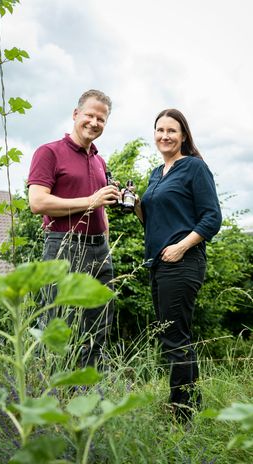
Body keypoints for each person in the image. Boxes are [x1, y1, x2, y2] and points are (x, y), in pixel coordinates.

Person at [134, 108, 222, 421]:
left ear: (183, 135)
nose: (165, 136)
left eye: (172, 130)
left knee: (175, 336)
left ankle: (182, 412)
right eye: (160, 130)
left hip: (184, 261)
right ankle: (187, 402)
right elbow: (154, 219)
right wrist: (134, 204)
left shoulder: (195, 168)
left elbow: (212, 217)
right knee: (170, 335)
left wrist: (182, 246)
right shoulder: (157, 173)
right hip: (158, 263)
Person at [27, 89, 119, 368]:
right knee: (60, 324)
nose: (94, 122)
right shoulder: (49, 152)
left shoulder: (100, 160)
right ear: (75, 114)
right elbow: (37, 202)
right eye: (89, 115)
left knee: (98, 324)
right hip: (64, 244)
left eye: (101, 119)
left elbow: (98, 208)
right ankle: (54, 394)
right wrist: (90, 201)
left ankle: (88, 393)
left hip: (99, 250)